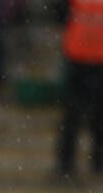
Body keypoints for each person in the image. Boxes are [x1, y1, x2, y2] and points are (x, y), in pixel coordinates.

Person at [55, 0, 103, 180]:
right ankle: (66, 164)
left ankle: (97, 161)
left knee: (97, 116)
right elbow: (59, 13)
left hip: (96, 61)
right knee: (72, 115)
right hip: (77, 58)